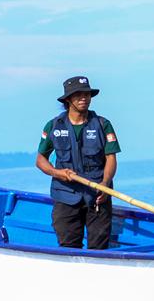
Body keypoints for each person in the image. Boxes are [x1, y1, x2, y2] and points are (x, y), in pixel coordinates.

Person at [34, 76, 120, 249]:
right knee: (68, 246)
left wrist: (105, 184)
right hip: (65, 195)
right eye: (78, 95)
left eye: (87, 94)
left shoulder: (102, 124)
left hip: (97, 195)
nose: (84, 98)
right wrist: (57, 173)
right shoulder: (54, 126)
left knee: (99, 248)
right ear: (68, 99)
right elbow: (40, 160)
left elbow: (111, 158)